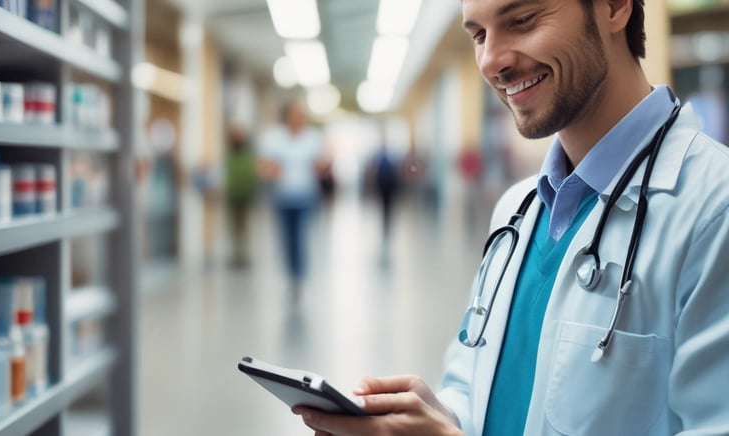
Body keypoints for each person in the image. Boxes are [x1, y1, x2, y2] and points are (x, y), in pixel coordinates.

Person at [293, 1, 729, 435]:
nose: (491, 62)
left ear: (614, 7)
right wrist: (437, 418)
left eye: (522, 21)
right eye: (479, 36)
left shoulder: (714, 208)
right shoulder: (515, 212)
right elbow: (474, 388)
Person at [258, 99, 329, 295]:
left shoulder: (312, 138)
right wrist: (271, 170)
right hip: (283, 197)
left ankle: (299, 275)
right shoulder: (274, 138)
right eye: (295, 114)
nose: (299, 118)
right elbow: (263, 165)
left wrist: (323, 166)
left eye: (301, 115)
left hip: (306, 197)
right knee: (287, 238)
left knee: (300, 237)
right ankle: (291, 273)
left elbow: (321, 166)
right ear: (287, 116)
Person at [224, 122, 259, 268]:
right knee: (233, 228)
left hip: (244, 196)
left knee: (244, 228)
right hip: (233, 196)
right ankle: (236, 255)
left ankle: (244, 255)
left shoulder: (247, 154)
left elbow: (251, 174)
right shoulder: (230, 154)